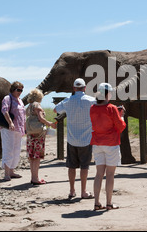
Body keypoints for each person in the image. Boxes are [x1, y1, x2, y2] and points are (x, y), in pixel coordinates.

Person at [54, 78, 96, 199]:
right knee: (84, 166)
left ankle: (72, 190)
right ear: (85, 88)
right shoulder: (91, 100)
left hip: (72, 139)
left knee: (71, 166)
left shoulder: (67, 101)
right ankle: (83, 191)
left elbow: (55, 109)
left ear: (73, 88)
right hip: (86, 139)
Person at [90, 83, 126, 211]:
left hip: (97, 143)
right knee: (110, 174)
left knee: (99, 174)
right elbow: (120, 126)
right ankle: (109, 203)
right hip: (111, 143)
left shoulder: (92, 108)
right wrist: (121, 115)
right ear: (107, 94)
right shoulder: (112, 108)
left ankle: (96, 202)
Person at [26, 88, 56, 185]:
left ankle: (33, 177)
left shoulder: (29, 106)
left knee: (32, 157)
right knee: (37, 156)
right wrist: (49, 123)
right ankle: (36, 178)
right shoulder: (37, 105)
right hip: (38, 134)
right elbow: (40, 118)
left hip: (30, 134)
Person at [1, 81, 26, 181]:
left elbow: (23, 115)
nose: (20, 92)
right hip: (9, 129)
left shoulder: (20, 100)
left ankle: (11, 171)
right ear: (13, 89)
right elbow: (4, 110)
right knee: (8, 149)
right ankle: (6, 173)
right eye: (18, 90)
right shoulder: (7, 98)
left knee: (16, 149)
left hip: (19, 129)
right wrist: (10, 122)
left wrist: (24, 127)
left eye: (21, 90)